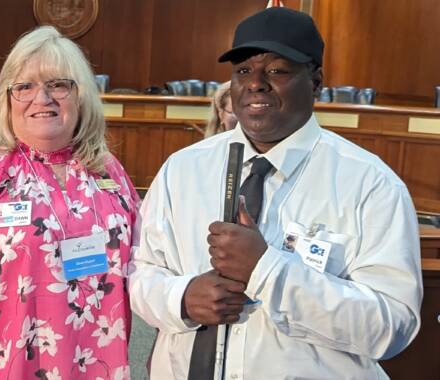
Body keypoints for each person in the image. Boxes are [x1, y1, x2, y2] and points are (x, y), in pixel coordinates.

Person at [129, 7, 422, 380]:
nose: (256, 84)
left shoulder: (369, 184)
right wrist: (181, 298)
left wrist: (266, 271)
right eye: (243, 71)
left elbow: (391, 326)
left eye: (277, 70)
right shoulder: (182, 170)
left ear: (316, 81)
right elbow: (143, 272)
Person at [0, 26, 140, 379]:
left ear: (82, 96)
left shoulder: (108, 173)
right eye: (25, 86)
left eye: (58, 84)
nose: (41, 98)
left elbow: (144, 265)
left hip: (101, 368)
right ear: (8, 99)